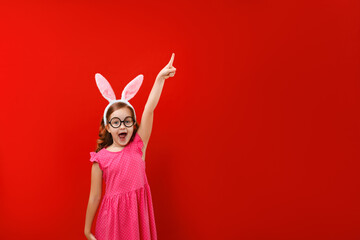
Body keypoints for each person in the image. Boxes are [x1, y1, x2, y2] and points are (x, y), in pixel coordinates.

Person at [84, 53, 176, 240]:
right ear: (108, 127)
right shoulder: (100, 158)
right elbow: (94, 196)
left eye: (127, 121)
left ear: (133, 123)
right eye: (116, 122)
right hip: (111, 222)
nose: (122, 126)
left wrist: (159, 79)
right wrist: (87, 230)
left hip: (137, 217)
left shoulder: (138, 147)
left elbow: (149, 109)